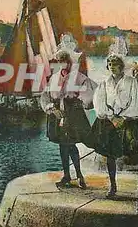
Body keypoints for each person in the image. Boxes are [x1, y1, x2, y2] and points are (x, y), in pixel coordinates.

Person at [86, 54, 138, 198]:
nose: (112, 67)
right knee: (110, 154)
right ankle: (113, 185)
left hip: (127, 119)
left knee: (136, 149)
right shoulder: (105, 82)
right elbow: (99, 101)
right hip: (110, 121)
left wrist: (123, 117)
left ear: (121, 66)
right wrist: (111, 117)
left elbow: (136, 101)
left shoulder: (131, 82)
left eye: (115, 64)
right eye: (110, 65)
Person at [40, 50, 97, 188]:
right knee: (62, 145)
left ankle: (78, 175)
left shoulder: (79, 77)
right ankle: (67, 175)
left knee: (70, 144)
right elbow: (45, 96)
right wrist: (52, 108)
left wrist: (80, 101)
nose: (63, 63)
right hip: (57, 115)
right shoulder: (53, 78)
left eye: (65, 60)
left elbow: (91, 92)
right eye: (60, 61)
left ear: (70, 62)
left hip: (73, 115)